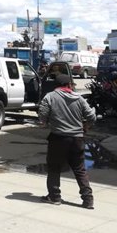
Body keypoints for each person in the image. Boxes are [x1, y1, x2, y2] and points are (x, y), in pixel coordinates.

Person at [37, 72, 96, 209]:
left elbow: (42, 115)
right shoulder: (79, 98)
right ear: (69, 85)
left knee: (54, 167)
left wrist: (45, 123)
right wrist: (85, 127)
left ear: (55, 85)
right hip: (77, 139)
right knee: (79, 169)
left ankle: (54, 196)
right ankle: (88, 199)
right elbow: (91, 116)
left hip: (58, 139)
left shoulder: (50, 97)